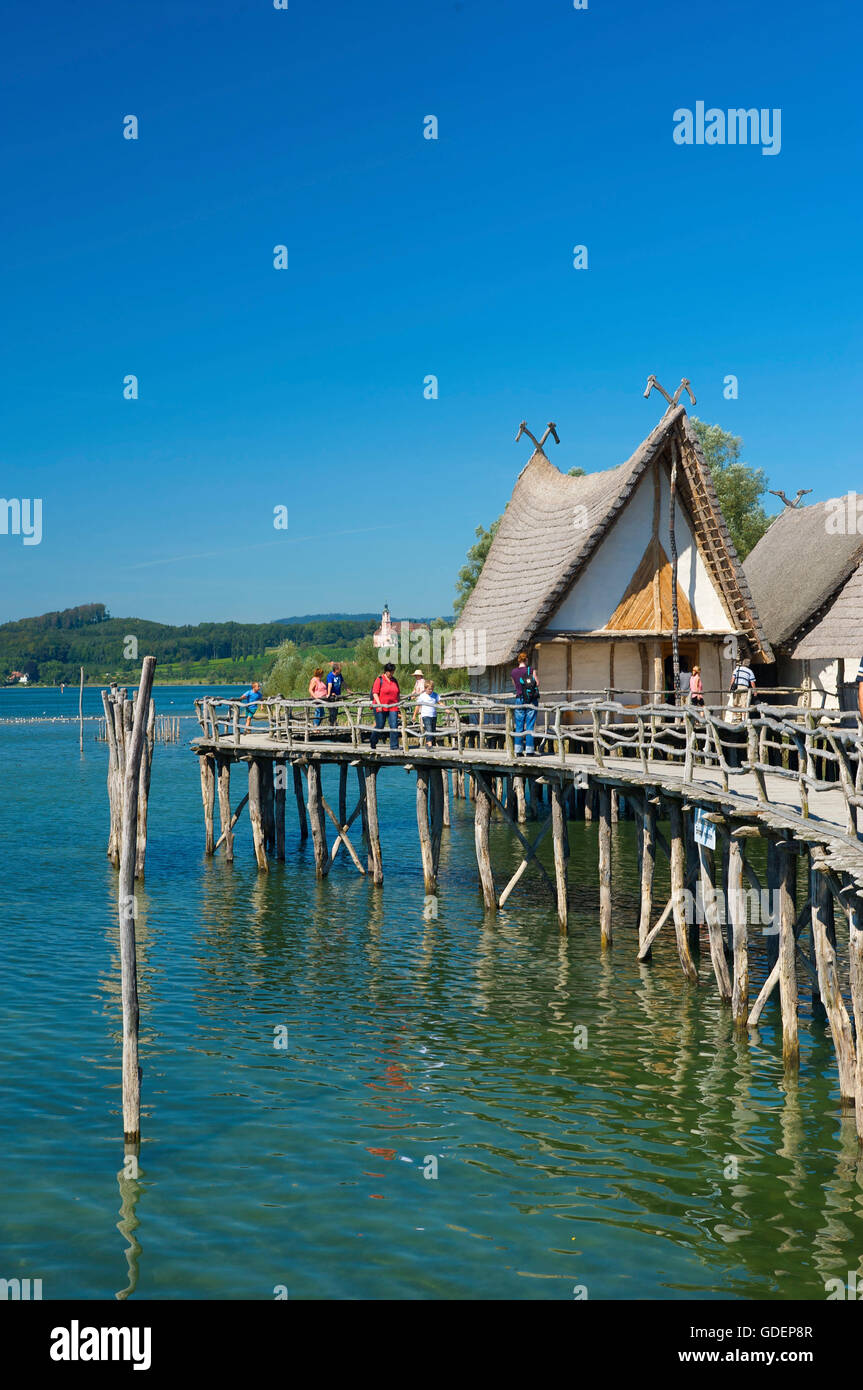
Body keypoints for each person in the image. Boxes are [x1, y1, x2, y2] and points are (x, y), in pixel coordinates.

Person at [511, 650, 540, 755]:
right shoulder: (530, 670)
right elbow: (537, 683)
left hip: (519, 699)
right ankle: (529, 750)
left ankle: (518, 750)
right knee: (530, 725)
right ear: (526, 660)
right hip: (531, 700)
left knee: (519, 725)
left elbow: (515, 686)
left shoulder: (513, 672)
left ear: (518, 660)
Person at [371, 662, 400, 749]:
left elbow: (398, 693)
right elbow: (375, 693)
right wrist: (379, 704)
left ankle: (394, 746)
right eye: (390, 672)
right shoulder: (379, 680)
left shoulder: (394, 680)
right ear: (386, 671)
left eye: (393, 672)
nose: (392, 674)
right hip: (380, 705)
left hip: (393, 706)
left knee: (394, 725)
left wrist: (398, 703)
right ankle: (373, 740)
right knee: (380, 725)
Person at [416, 679, 439, 748]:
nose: (430, 690)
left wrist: (446, 708)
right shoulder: (422, 696)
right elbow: (418, 705)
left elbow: (440, 702)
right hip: (426, 715)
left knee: (433, 730)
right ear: (425, 688)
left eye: (432, 689)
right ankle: (429, 745)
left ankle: (429, 743)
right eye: (429, 689)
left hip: (433, 715)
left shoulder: (435, 695)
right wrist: (414, 715)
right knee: (428, 729)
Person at [326, 661, 345, 727]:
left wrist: (348, 690)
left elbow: (343, 683)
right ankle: (331, 725)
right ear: (335, 670)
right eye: (339, 670)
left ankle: (334, 724)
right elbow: (330, 685)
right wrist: (329, 694)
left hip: (337, 695)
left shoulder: (340, 675)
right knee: (332, 711)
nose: (340, 671)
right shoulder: (330, 676)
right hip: (332, 697)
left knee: (336, 711)